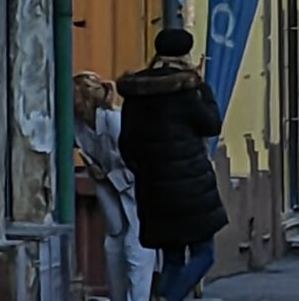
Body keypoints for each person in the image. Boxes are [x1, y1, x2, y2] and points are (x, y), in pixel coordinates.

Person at [117, 29, 226, 301]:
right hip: (192, 187)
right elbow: (211, 124)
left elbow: (126, 143)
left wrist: (145, 172)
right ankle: (168, 298)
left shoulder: (137, 90)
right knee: (204, 254)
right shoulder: (189, 88)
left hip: (153, 189)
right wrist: (203, 88)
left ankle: (165, 295)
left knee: (172, 258)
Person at [76, 72, 155, 301]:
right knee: (114, 243)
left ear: (86, 100)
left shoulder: (114, 120)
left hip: (134, 187)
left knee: (136, 246)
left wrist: (109, 174)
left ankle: (138, 298)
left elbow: (139, 159)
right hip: (109, 190)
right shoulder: (77, 124)